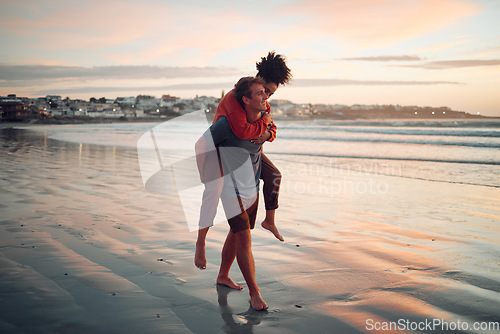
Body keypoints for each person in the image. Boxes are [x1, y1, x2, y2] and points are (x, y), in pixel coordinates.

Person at [195, 52, 291, 272]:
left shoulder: (262, 102)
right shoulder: (236, 97)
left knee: (273, 176)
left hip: (247, 153)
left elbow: (271, 129)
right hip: (221, 150)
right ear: (258, 82)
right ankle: (200, 242)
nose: (268, 97)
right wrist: (264, 124)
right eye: (266, 91)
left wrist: (266, 133)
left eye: (271, 94)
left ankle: (269, 221)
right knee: (213, 192)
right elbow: (241, 130)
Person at [195, 77, 270, 310]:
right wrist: (206, 173)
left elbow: (263, 142)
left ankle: (223, 275)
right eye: (259, 94)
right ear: (245, 99)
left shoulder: (264, 120)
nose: (265, 97)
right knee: (244, 238)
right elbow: (200, 145)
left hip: (250, 183)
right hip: (229, 185)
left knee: (238, 233)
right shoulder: (226, 125)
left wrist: (267, 132)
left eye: (266, 93)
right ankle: (254, 292)